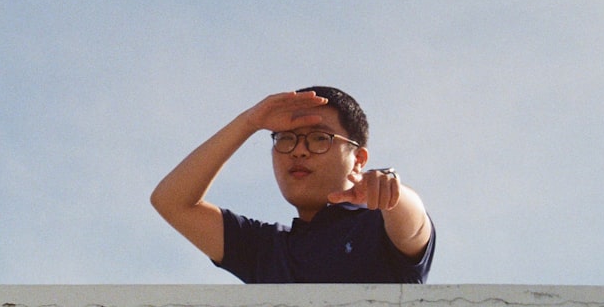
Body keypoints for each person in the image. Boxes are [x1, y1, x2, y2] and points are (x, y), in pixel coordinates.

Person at [150, 86, 435, 283]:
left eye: (319, 138)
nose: (299, 151)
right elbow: (172, 202)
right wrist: (248, 122)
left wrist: (393, 193)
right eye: (286, 139)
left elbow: (414, 226)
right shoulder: (266, 250)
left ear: (358, 160)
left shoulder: (377, 226)